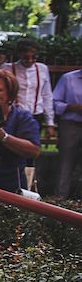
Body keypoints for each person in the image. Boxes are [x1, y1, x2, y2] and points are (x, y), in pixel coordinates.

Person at [2, 39, 55, 139]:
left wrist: (50, 123)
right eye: (26, 58)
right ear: (19, 55)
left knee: (32, 144)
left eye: (34, 57)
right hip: (12, 115)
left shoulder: (42, 69)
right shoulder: (7, 69)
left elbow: (47, 95)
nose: (30, 60)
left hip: (36, 115)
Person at [52, 68, 82, 198]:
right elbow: (54, 102)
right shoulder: (68, 78)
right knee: (66, 163)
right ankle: (60, 199)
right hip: (71, 125)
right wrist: (71, 107)